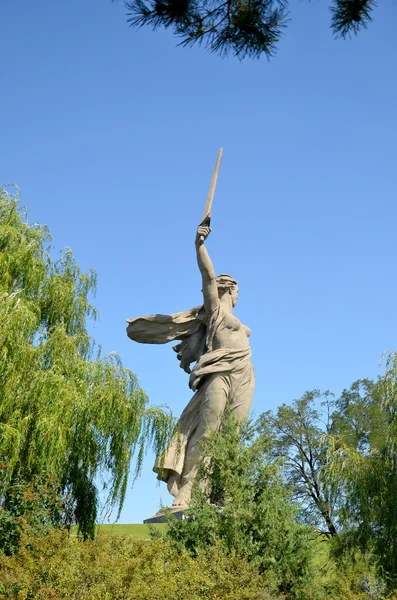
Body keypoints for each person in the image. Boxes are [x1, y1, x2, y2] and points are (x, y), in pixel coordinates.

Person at [127, 224, 255, 509]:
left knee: (232, 436)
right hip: (219, 373)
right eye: (238, 292)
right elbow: (208, 277)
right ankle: (188, 489)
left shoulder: (242, 326)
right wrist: (200, 246)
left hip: (244, 374)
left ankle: (222, 491)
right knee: (207, 431)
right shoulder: (217, 313)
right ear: (230, 290)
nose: (238, 297)